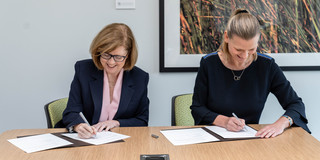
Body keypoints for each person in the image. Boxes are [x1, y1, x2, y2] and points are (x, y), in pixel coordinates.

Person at [190, 9, 310, 138]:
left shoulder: (266, 66)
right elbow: (197, 108)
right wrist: (225, 121)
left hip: (251, 139)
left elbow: (296, 105)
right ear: (226, 37)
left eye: (251, 49)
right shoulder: (209, 63)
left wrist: (279, 124)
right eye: (239, 49)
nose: (245, 56)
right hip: (212, 138)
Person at [62, 23, 149, 139]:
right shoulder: (83, 70)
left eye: (118, 57)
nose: (111, 62)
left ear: (128, 55)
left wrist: (116, 123)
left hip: (122, 143)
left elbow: (142, 120)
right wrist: (79, 126)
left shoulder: (139, 78)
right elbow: (71, 112)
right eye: (106, 55)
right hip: (87, 141)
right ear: (98, 51)